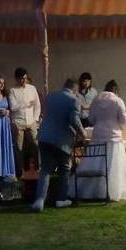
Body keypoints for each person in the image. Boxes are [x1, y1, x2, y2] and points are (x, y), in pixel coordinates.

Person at [73, 80, 126, 201]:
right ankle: (113, 191)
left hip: (98, 136)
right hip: (114, 138)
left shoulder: (96, 100)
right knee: (113, 167)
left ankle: (92, 190)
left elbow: (91, 119)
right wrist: (121, 127)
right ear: (116, 90)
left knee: (95, 164)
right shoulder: (118, 101)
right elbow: (123, 123)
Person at [32, 78, 86, 211]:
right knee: (64, 169)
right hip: (61, 140)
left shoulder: (50, 97)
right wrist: (83, 134)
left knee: (45, 170)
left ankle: (39, 201)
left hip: (44, 137)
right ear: (75, 89)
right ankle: (61, 199)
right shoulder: (74, 100)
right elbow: (74, 121)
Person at [9, 67, 42, 176]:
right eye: (21, 79)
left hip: (31, 121)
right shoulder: (13, 90)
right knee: (19, 147)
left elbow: (37, 105)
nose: (23, 81)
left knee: (35, 143)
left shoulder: (32, 88)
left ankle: (38, 168)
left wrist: (36, 119)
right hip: (18, 122)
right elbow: (13, 107)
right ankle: (19, 170)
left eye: (25, 78)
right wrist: (25, 104)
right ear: (17, 79)